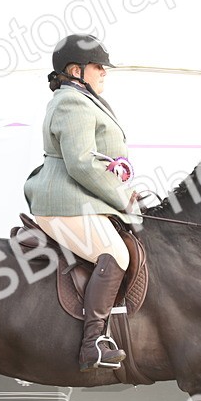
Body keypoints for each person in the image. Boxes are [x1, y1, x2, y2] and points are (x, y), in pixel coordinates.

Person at [24, 34, 139, 371]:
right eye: (97, 66)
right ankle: (93, 344)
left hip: (81, 199)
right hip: (63, 201)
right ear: (75, 70)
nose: (104, 71)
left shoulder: (85, 99)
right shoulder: (71, 102)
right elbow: (81, 163)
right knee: (115, 254)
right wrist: (120, 198)